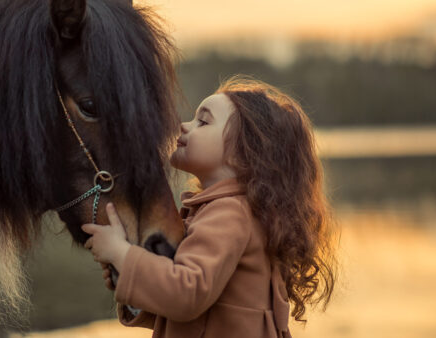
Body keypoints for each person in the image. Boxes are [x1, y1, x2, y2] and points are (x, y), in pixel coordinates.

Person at [81, 75, 337, 338]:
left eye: (203, 121)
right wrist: (130, 280)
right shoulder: (233, 211)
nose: (183, 125)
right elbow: (191, 313)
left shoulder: (228, 213)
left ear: (243, 152)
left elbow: (186, 294)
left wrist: (120, 252)